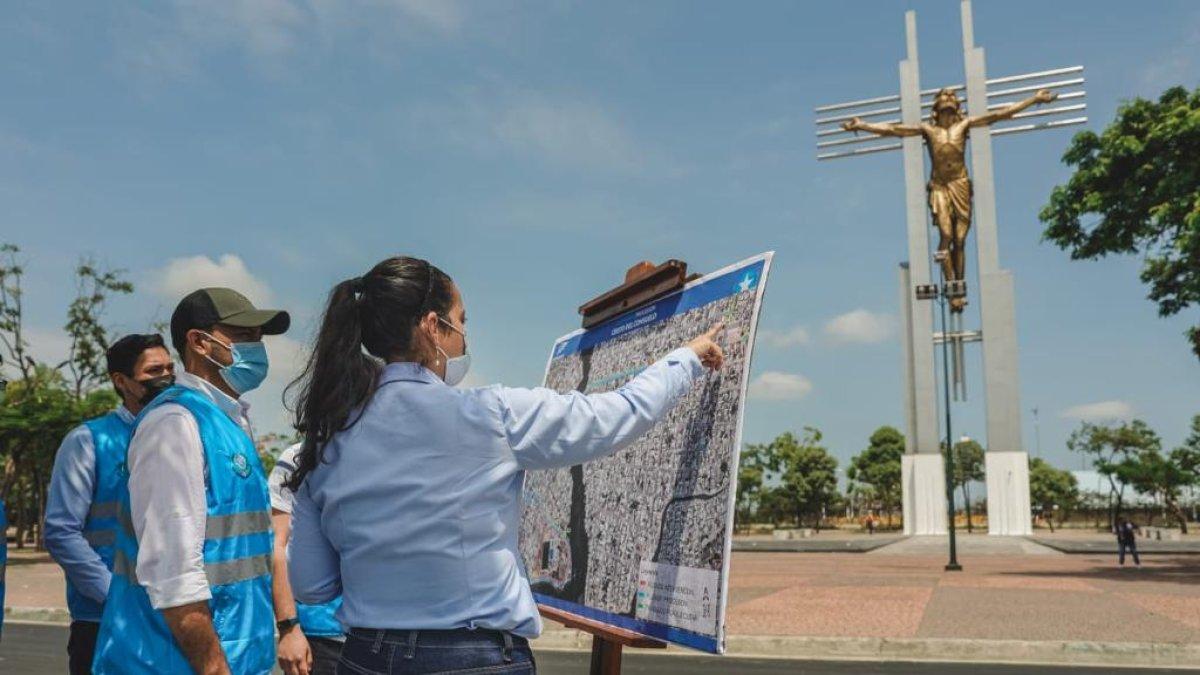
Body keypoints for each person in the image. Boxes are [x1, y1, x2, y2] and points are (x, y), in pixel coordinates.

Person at [286, 256, 725, 675]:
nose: (464, 338)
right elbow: (616, 415)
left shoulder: (329, 439)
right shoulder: (489, 414)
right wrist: (684, 359)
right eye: (461, 321)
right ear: (432, 327)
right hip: (469, 657)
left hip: (365, 656)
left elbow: (311, 586)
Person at [93, 288, 290, 675]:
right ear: (200, 342)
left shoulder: (229, 420)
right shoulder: (174, 424)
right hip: (173, 662)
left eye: (259, 337)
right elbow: (173, 573)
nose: (258, 347)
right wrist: (216, 669)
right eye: (245, 335)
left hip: (233, 658)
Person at [45, 334, 175, 674]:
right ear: (121, 381)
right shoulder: (88, 442)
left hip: (171, 614)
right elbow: (61, 532)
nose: (166, 377)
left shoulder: (181, 437)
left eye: (170, 367)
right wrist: (117, 595)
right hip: (103, 619)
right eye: (154, 370)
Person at [269, 444, 345, 675]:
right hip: (320, 637)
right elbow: (278, 545)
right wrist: (288, 628)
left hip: (382, 635)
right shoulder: (297, 458)